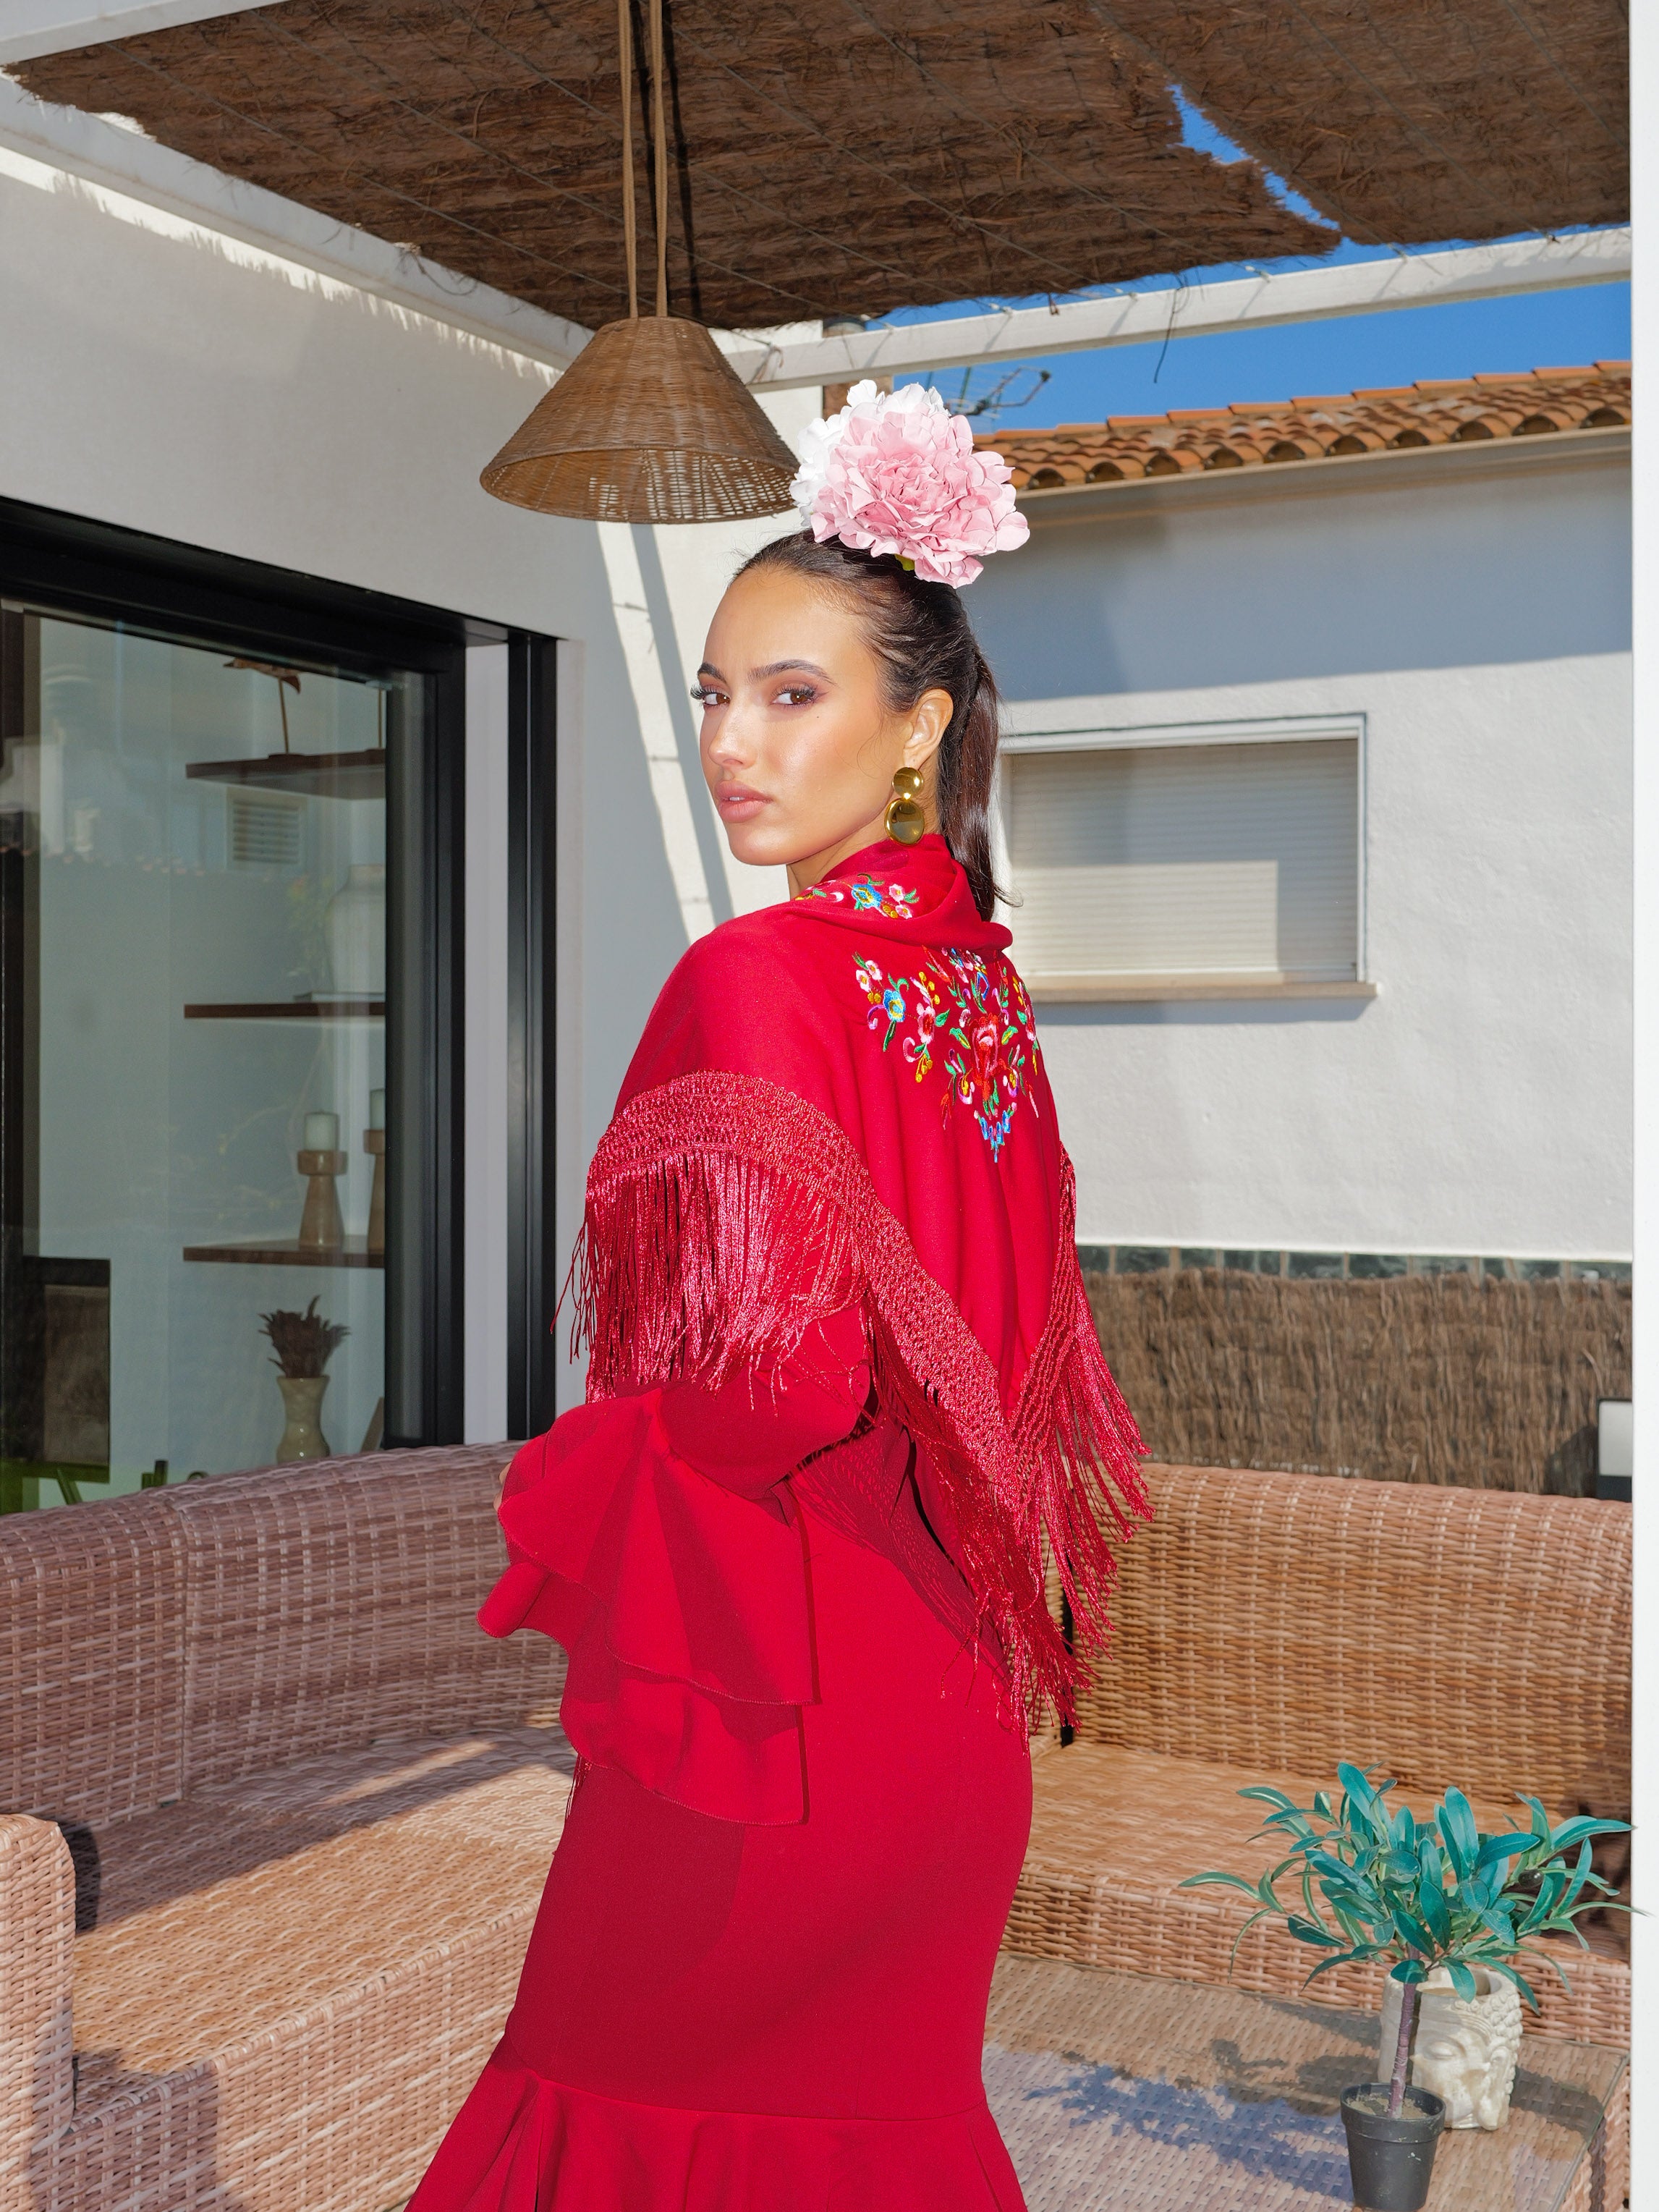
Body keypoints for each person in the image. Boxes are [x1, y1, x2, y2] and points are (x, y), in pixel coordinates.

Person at [408, 382, 1149, 2211]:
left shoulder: (761, 973)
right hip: (945, 1716)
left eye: (791, 693)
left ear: (919, 725)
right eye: (713, 693)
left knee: (608, 2123)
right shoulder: (982, 992)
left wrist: (600, 1453)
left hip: (776, 1718)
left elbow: (772, 1397)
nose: (733, 741)